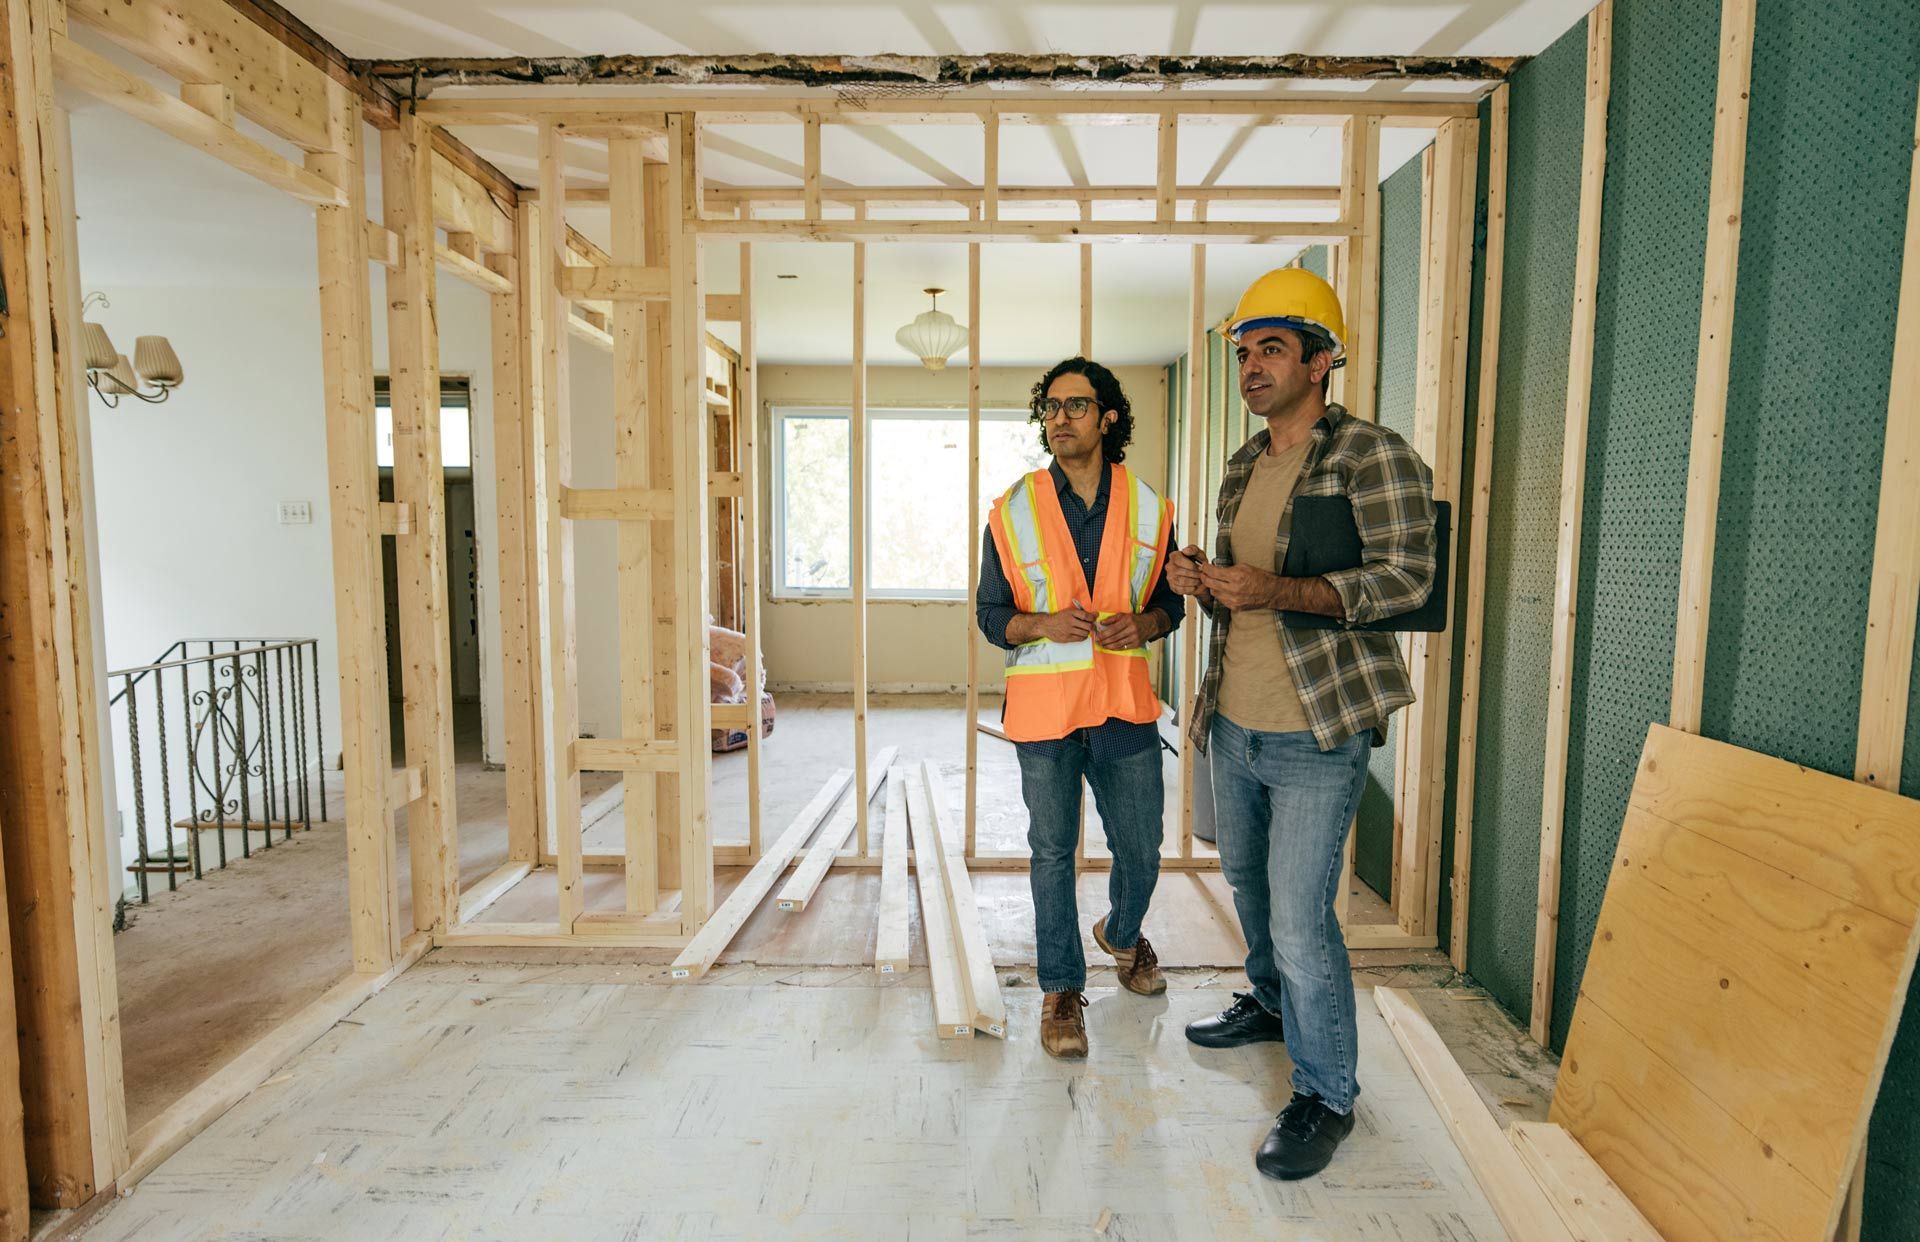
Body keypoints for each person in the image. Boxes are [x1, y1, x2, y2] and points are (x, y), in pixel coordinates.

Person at [1165, 268, 1436, 1179]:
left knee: (1302, 917)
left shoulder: (1370, 455)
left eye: (1271, 348)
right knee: (1249, 889)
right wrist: (1204, 583)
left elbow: (1410, 580)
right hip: (1234, 724)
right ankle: (1273, 1007)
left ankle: (1327, 1094)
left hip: (1318, 733)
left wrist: (1276, 590)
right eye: (1244, 352)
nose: (1251, 367)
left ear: (1322, 361)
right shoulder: (1245, 465)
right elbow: (1246, 600)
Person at [976, 357, 1184, 1059]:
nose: (1059, 418)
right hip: (1046, 712)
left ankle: (1121, 933)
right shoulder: (1013, 510)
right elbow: (989, 614)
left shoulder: (1151, 509)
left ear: (1109, 417)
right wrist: (1039, 625)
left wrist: (1144, 625)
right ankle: (1062, 991)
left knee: (1142, 849)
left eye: (1075, 405)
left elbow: (1171, 604)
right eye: (1051, 407)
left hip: (1123, 707)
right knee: (1052, 852)